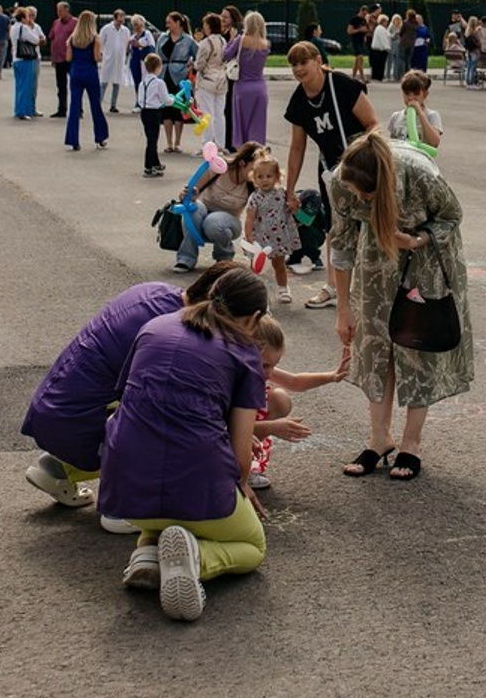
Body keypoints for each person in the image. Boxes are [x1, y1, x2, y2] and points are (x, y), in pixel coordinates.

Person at [98, 267, 269, 621]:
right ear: (254, 318)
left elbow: (121, 403)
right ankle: (197, 557)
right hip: (196, 478)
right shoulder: (244, 351)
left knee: (157, 479)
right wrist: (241, 488)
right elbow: (240, 456)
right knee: (253, 547)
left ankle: (147, 552)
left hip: (125, 485)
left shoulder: (156, 326)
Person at [22, 262, 235, 514]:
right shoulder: (176, 333)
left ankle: (57, 467)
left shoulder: (155, 291)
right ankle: (126, 507)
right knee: (177, 427)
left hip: (56, 410)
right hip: (76, 428)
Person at [331, 131, 474, 481]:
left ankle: (411, 443)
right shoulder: (342, 180)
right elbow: (342, 241)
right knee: (376, 343)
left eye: (369, 194)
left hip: (423, 256)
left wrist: (417, 239)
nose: (360, 198)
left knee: (414, 344)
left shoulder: (418, 174)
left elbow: (452, 216)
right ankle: (380, 438)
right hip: (375, 258)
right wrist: (343, 308)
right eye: (356, 192)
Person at [283, 41, 378, 309]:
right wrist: (290, 190)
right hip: (330, 170)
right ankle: (331, 287)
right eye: (294, 64)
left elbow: (373, 123)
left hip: (360, 164)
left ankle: (369, 285)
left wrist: (361, 155)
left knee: (367, 225)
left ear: (317, 60)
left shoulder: (341, 85)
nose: (299, 68)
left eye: (304, 62)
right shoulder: (299, 100)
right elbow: (297, 147)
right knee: (335, 228)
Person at [249, 316, 347, 490]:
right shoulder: (230, 378)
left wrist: (332, 376)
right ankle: (235, 469)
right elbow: (225, 427)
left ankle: (248, 464)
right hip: (227, 433)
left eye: (274, 365)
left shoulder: (260, 369)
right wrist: (272, 427)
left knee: (280, 399)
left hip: (249, 428)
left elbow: (295, 382)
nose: (270, 372)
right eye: (265, 365)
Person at [173, 141, 264, 273]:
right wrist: (187, 195)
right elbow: (192, 190)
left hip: (229, 221)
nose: (257, 174)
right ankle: (186, 258)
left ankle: (224, 258)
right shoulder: (218, 167)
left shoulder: (255, 183)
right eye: (254, 169)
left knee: (213, 221)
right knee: (192, 209)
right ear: (242, 163)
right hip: (204, 210)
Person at [243, 152, 301, 303]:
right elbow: (250, 217)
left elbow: (293, 208)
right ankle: (253, 290)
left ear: (277, 176)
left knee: (279, 264)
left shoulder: (283, 194)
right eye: (260, 177)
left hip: (279, 237)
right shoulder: (255, 197)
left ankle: (283, 288)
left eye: (269, 176)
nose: (265, 180)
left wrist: (294, 205)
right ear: (254, 179)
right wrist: (249, 235)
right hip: (260, 237)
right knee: (256, 266)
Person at [64, 10, 109, 152]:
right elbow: (97, 57)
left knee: (74, 106)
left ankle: (73, 139)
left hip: (76, 72)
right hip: (90, 72)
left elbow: (68, 58)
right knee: (95, 105)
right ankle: (100, 136)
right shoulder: (95, 38)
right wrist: (101, 56)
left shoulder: (72, 39)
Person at [224, 11, 270, 146]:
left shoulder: (241, 40)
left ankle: (242, 153)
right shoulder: (265, 43)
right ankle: (256, 153)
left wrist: (231, 39)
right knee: (258, 125)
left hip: (242, 86)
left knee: (241, 124)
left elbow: (225, 55)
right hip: (260, 87)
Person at [158, 12, 196, 154]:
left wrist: (192, 65)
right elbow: (157, 55)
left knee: (178, 108)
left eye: (170, 22)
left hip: (180, 76)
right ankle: (168, 142)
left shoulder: (188, 40)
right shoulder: (163, 38)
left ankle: (178, 142)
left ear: (178, 23)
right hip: (165, 74)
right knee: (167, 109)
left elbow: (197, 54)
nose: (167, 25)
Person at [191, 12, 229, 142]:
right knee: (219, 114)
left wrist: (193, 64)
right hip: (221, 80)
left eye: (205, 24)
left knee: (206, 114)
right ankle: (220, 144)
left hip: (207, 81)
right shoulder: (223, 41)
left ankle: (207, 144)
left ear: (209, 26)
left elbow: (200, 65)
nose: (204, 27)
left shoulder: (205, 43)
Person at [386, 69, 443, 152]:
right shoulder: (396, 116)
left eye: (416, 94)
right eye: (407, 93)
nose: (411, 98)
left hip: (422, 161)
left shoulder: (431, 115)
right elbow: (392, 144)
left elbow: (435, 143)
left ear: (425, 94)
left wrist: (420, 113)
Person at [136, 53, 170, 176]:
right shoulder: (159, 83)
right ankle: (148, 166)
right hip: (154, 113)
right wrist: (172, 101)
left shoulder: (142, 83)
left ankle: (156, 163)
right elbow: (166, 99)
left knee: (150, 138)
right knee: (152, 140)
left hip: (144, 112)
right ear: (158, 67)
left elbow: (140, 100)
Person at [11, 7, 45, 120]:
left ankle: (19, 109)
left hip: (16, 59)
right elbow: (36, 40)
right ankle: (23, 111)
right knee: (27, 86)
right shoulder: (24, 28)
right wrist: (39, 40)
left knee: (19, 86)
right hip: (26, 59)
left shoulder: (13, 28)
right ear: (23, 18)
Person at [99, 9, 133, 113]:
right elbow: (101, 41)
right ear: (115, 17)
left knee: (117, 82)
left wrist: (126, 54)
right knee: (104, 81)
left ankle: (113, 105)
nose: (122, 19)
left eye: (123, 16)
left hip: (120, 59)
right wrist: (101, 53)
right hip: (108, 58)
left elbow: (128, 44)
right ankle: (98, 103)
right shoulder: (107, 29)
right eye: (120, 16)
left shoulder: (125, 30)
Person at [47, 1, 77, 118]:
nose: (58, 13)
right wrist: (53, 56)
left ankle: (77, 109)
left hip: (71, 59)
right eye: (57, 10)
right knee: (61, 86)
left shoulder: (75, 23)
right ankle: (62, 109)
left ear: (67, 10)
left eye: (60, 10)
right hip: (59, 58)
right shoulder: (56, 23)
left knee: (75, 85)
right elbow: (52, 39)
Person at [220, 5, 244, 150]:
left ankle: (231, 142)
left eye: (225, 17)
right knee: (224, 109)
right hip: (223, 74)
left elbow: (228, 53)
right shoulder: (223, 31)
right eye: (221, 16)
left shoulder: (235, 32)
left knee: (229, 109)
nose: (222, 19)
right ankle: (226, 140)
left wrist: (232, 39)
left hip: (231, 75)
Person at [127, 14, 156, 102]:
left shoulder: (147, 34)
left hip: (145, 62)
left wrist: (140, 45)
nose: (138, 27)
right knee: (137, 83)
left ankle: (147, 101)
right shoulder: (132, 37)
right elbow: (129, 50)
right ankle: (138, 102)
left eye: (139, 24)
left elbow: (152, 46)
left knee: (146, 82)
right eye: (135, 24)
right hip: (135, 62)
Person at [347, 5, 369, 82]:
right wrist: (359, 30)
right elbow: (349, 31)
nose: (364, 15)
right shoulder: (354, 19)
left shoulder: (364, 20)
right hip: (355, 41)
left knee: (357, 60)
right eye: (363, 14)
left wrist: (365, 32)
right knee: (360, 58)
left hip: (361, 41)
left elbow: (366, 29)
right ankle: (362, 77)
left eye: (366, 14)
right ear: (360, 11)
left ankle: (353, 77)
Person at [370, 13, 392, 83]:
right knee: (380, 64)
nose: (387, 23)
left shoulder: (380, 28)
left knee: (378, 64)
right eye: (386, 21)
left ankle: (377, 76)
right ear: (383, 21)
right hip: (380, 50)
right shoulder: (381, 29)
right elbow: (383, 40)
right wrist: (387, 48)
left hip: (378, 50)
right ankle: (379, 77)